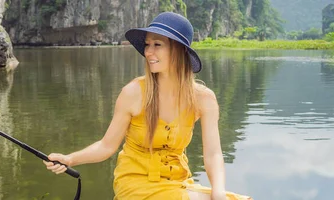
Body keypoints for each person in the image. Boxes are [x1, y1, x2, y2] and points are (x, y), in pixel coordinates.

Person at [43, 12, 251, 200]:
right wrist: (70, 159)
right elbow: (107, 146)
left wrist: (218, 191)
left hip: (177, 183)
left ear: (179, 50)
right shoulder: (134, 93)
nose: (149, 52)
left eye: (157, 45)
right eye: (147, 45)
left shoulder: (204, 99)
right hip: (135, 183)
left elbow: (213, 154)